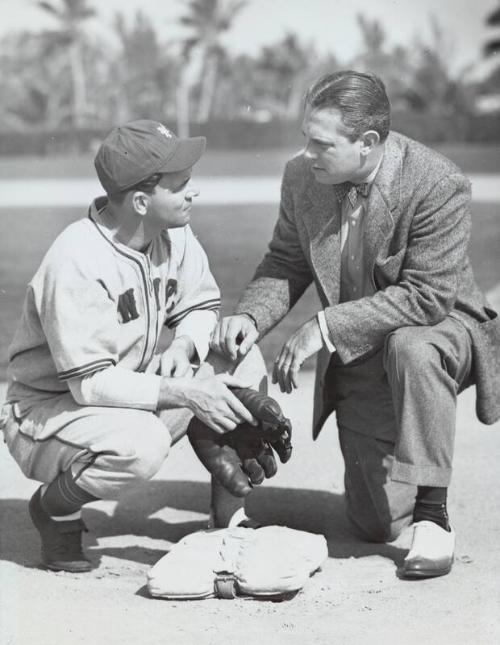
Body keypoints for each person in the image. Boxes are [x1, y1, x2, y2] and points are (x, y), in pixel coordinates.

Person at [211, 71, 500, 579]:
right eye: (305, 138)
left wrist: (322, 326)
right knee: (376, 525)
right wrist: (249, 316)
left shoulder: (439, 182)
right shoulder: (303, 177)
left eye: (321, 143)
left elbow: (427, 297)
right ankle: (404, 436)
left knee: (413, 348)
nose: (307, 153)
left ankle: (434, 515)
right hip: (362, 348)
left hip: (441, 326)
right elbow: (285, 261)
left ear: (367, 143)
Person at [0, 119, 281, 573]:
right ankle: (55, 509)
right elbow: (89, 387)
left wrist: (186, 345)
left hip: (119, 390)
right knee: (143, 445)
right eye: (181, 185)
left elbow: (202, 307)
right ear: (141, 201)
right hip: (46, 415)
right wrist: (188, 394)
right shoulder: (78, 260)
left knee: (237, 352)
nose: (193, 193)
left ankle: (229, 518)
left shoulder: (173, 233)